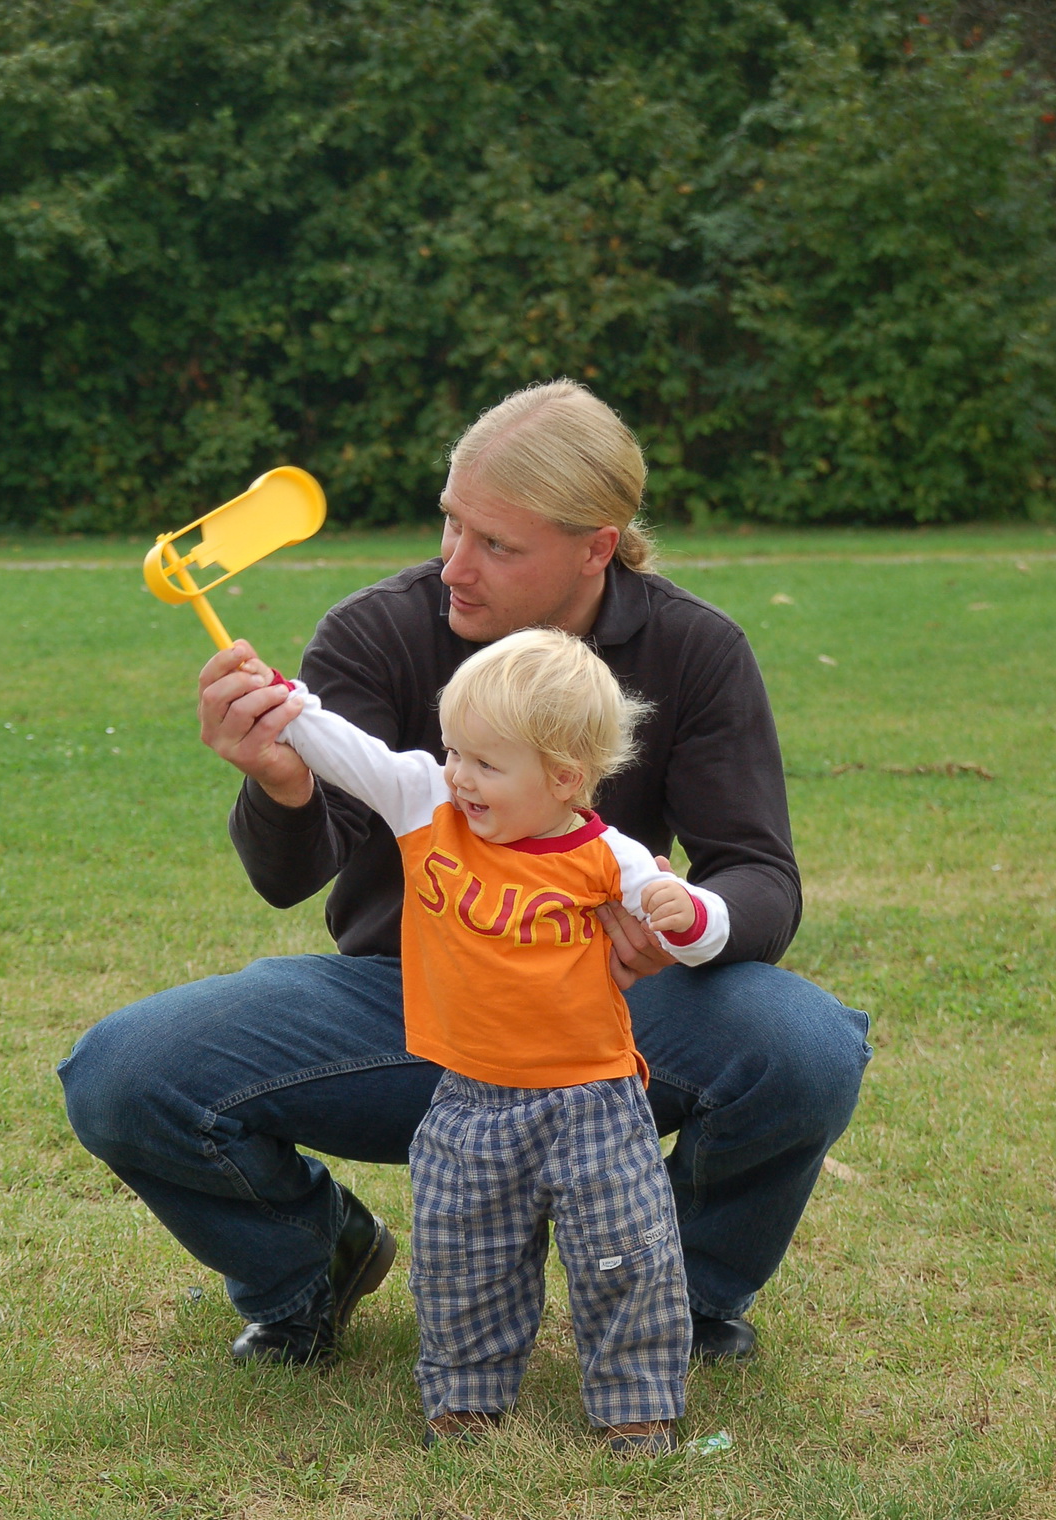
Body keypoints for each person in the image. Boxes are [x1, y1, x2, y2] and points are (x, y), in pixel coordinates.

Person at [59, 379, 871, 1378]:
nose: (456, 566)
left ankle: (688, 1300)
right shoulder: (379, 632)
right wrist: (279, 783)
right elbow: (295, 874)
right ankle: (309, 1267)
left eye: (497, 545)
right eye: (452, 526)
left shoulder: (692, 650)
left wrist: (684, 922)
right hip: (402, 1008)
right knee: (123, 1074)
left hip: (601, 1015)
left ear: (595, 547)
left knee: (801, 1043)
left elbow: (761, 877)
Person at [270, 627, 729, 1453]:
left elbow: (695, 928)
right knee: (461, 1253)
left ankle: (635, 1405)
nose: (458, 775)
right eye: (452, 750)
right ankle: (467, 1398)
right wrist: (283, 704)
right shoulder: (429, 809)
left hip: (596, 1102)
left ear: (564, 778)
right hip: (470, 1098)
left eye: (485, 762)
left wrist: (688, 914)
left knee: (625, 1257)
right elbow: (350, 751)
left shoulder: (607, 857)